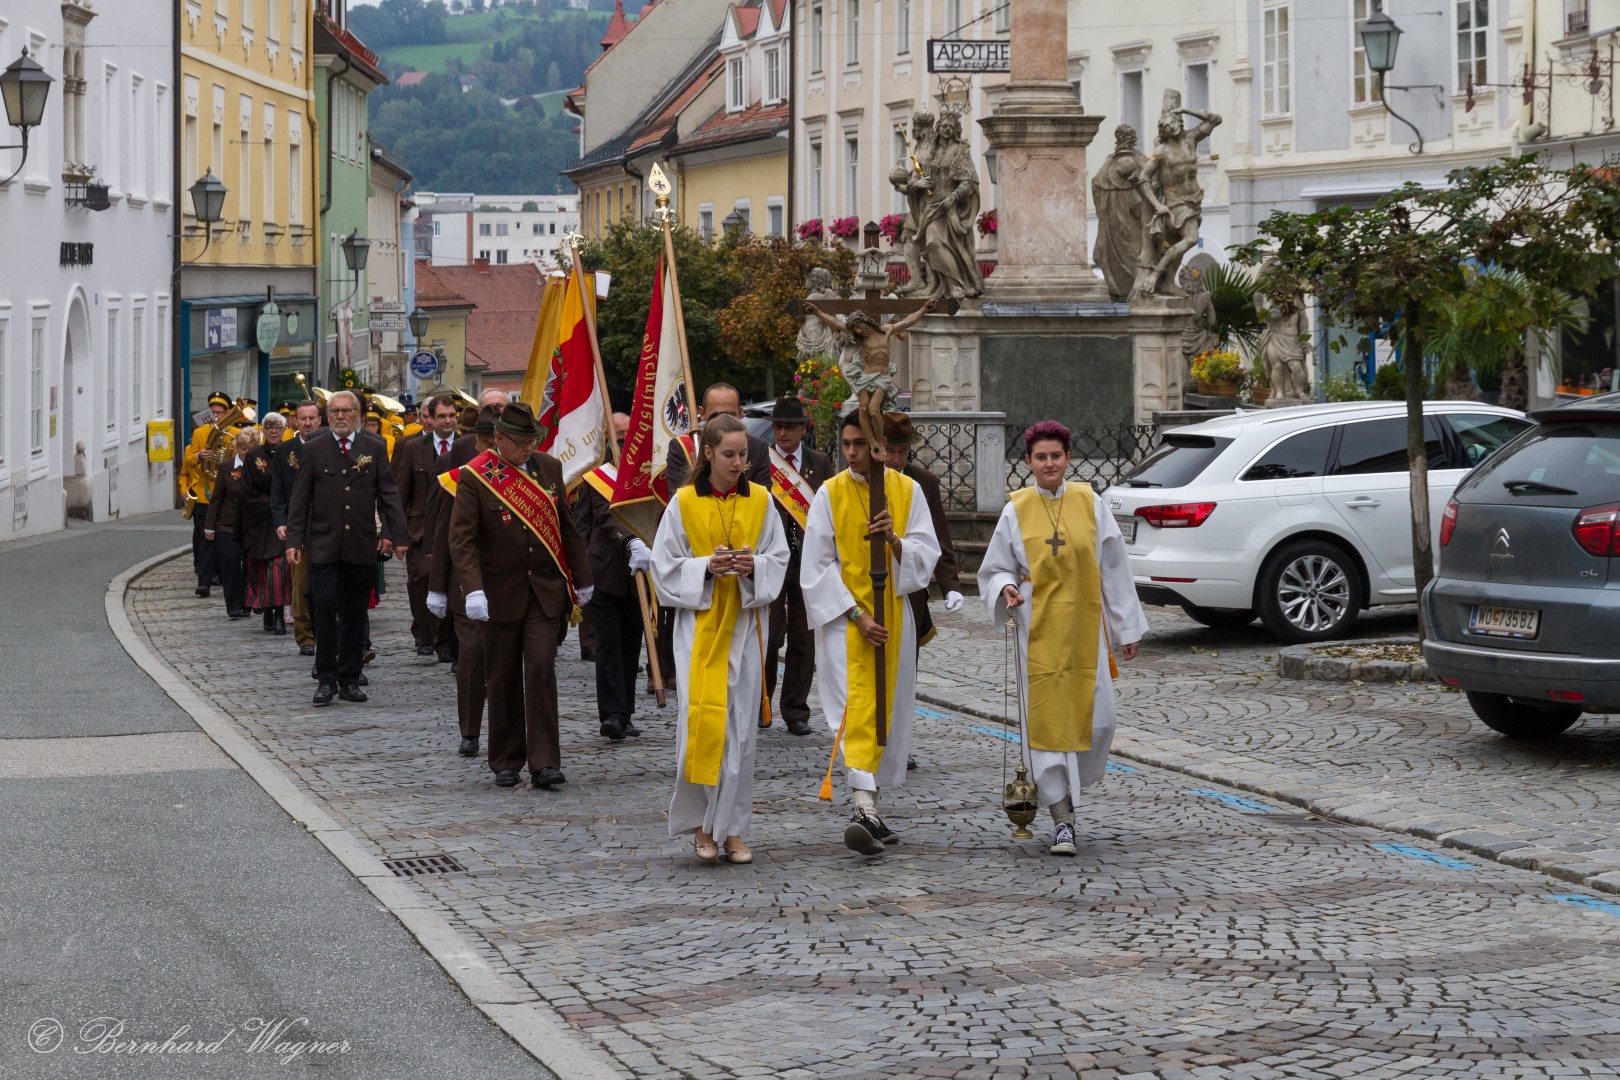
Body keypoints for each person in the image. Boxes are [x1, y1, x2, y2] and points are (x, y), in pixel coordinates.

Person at [977, 421, 1148, 857]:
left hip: (1086, 627)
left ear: (1068, 458)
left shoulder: (1091, 503)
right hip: (1037, 626)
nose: (1049, 463)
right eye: (1040, 457)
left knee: (1100, 720)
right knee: (1047, 722)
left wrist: (1127, 627)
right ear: (1028, 462)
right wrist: (1006, 587)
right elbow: (995, 567)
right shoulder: (1016, 509)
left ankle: (1071, 790)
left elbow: (1114, 567)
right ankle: (1061, 818)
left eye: (1056, 455)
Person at [800, 412, 941, 856]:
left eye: (860, 443)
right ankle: (863, 807)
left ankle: (872, 810)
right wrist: (857, 613)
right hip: (845, 622)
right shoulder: (830, 493)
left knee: (885, 712)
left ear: (878, 445)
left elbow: (927, 554)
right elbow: (817, 567)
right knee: (855, 709)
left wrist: (895, 541)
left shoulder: (907, 490)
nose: (852, 452)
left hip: (893, 620)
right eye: (846, 444)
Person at [651, 414, 790, 863]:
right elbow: (663, 568)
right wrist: (705, 568)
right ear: (708, 453)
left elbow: (779, 557)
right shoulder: (684, 503)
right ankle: (701, 826)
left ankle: (732, 829)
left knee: (741, 734)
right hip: (699, 630)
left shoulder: (762, 501)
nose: (737, 463)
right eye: (728, 454)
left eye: (743, 454)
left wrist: (754, 568)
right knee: (701, 727)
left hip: (745, 630)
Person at [448, 403, 592, 789]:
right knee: (502, 674)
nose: (528, 448)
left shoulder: (549, 468)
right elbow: (462, 540)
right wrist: (473, 589)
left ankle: (544, 761)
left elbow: (566, 527)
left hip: (544, 590)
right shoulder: (476, 476)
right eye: (520, 442)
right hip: (498, 592)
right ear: (499, 439)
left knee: (541, 666)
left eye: (532, 441)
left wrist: (582, 578)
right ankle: (507, 758)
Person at [285, 390, 408, 706]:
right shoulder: (314, 448)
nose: (340, 416)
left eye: (346, 411)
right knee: (325, 606)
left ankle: (350, 678)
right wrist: (294, 540)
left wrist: (395, 534)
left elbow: (388, 494)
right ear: (328, 416)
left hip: (360, 544)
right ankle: (326, 679)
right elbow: (300, 499)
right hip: (323, 544)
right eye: (334, 411)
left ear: (358, 415)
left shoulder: (374, 447)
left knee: (355, 612)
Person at [427, 405, 500, 757]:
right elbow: (445, 534)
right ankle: (470, 730)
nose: (492, 447)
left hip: (510, 583)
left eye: (497, 440)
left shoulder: (527, 476)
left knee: (504, 659)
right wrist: (436, 587)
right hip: (465, 584)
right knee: (471, 656)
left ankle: (504, 729)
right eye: (486, 441)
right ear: (476, 442)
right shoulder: (460, 477)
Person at [762, 395, 834, 736]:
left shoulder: (819, 462)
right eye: (778, 426)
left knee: (804, 639)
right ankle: (762, 703)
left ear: (803, 429)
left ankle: (795, 710)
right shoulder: (763, 461)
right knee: (770, 636)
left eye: (790, 427)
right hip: (773, 559)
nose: (783, 433)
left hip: (808, 561)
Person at [577, 413, 650, 742]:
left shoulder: (644, 472)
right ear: (608, 437)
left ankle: (626, 712)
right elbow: (604, 515)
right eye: (618, 436)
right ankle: (611, 715)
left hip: (639, 575)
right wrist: (630, 541)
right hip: (606, 571)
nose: (623, 441)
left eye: (627, 435)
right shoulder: (598, 476)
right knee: (608, 646)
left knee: (631, 645)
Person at [879, 414, 965, 648]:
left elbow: (938, 535)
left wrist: (950, 586)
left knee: (907, 652)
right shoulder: (863, 477)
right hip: (871, 579)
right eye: (890, 451)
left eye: (903, 451)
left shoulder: (925, 481)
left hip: (909, 581)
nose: (896, 459)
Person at [393, 393, 461, 659]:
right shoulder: (413, 447)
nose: (448, 421)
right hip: (420, 530)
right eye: (442, 416)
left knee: (449, 581)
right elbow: (401, 492)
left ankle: (443, 642)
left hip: (455, 526)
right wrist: (396, 533)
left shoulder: (465, 446)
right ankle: (424, 634)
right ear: (430, 419)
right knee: (422, 579)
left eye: (452, 416)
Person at [273, 399, 322, 656]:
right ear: (294, 421)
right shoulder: (285, 450)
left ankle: (325, 630)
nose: (307, 423)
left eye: (312, 418)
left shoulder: (329, 446)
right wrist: (281, 521)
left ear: (320, 420)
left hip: (325, 525)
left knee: (325, 582)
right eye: (302, 418)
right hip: (297, 526)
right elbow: (278, 490)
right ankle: (305, 637)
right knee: (300, 583)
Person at [181, 391, 241, 598]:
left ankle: (223, 575)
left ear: (227, 413)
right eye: (213, 412)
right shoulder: (200, 433)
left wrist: (235, 455)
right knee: (205, 539)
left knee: (226, 539)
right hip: (205, 495)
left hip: (227, 496)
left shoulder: (235, 433)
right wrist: (199, 456)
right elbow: (188, 461)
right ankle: (204, 582)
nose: (217, 416)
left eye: (220, 413)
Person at [203, 428, 259, 619]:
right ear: (237, 448)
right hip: (227, 525)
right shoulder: (227, 467)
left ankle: (247, 602)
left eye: (250, 450)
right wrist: (209, 526)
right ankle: (233, 605)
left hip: (252, 525)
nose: (246, 453)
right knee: (231, 562)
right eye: (243, 449)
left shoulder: (261, 466)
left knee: (250, 565)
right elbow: (217, 498)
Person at [241, 423, 290, 635]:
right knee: (264, 569)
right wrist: (270, 504)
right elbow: (247, 490)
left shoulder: (290, 452)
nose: (273, 431)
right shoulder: (254, 455)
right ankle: (268, 609)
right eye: (269, 427)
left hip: (285, 518)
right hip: (261, 521)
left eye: (277, 427)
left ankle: (279, 614)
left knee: (281, 570)